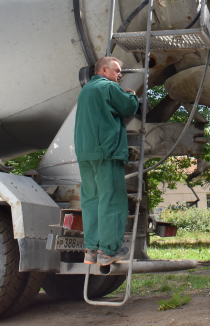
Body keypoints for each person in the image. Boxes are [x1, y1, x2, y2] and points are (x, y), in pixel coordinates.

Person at [74, 56, 139, 266]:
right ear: (103, 70)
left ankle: (91, 250)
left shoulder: (85, 91)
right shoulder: (108, 87)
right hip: (106, 152)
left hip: (85, 154)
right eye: (117, 70)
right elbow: (129, 108)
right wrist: (133, 96)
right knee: (111, 200)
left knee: (92, 200)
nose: (120, 75)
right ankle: (109, 251)